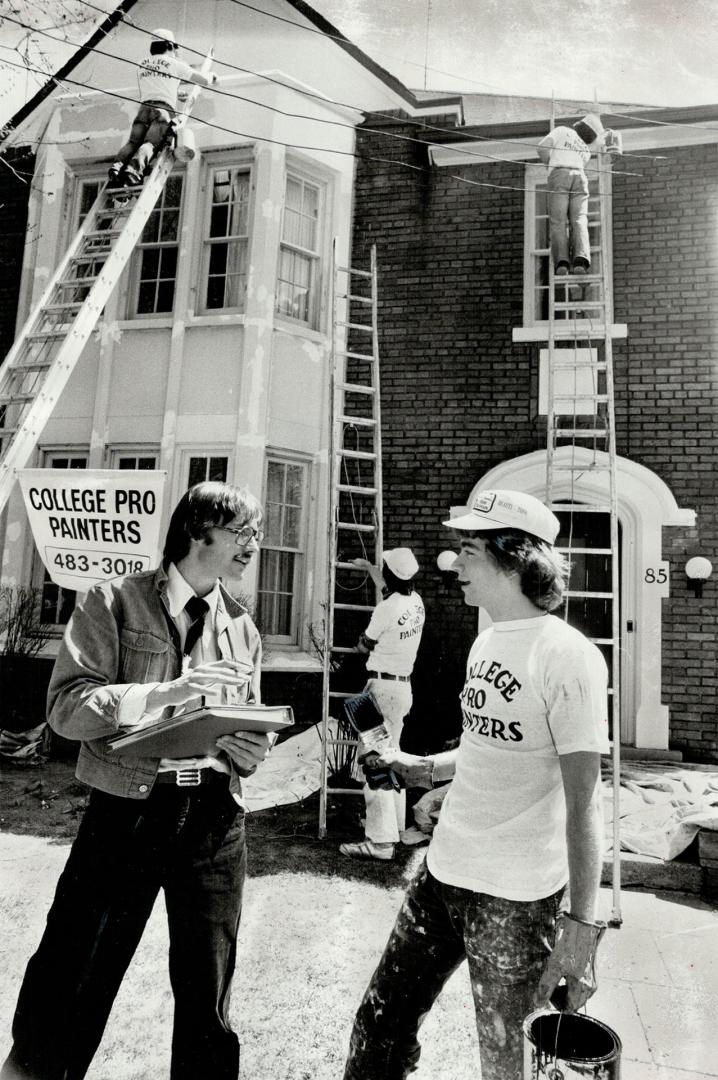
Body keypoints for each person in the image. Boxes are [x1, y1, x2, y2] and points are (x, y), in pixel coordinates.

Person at [1, 481, 271, 1080]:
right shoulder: (113, 602)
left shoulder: (243, 628)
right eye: (245, 531)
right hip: (128, 813)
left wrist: (250, 747)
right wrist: (164, 695)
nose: (256, 543)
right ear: (200, 531)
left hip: (215, 821)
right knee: (75, 970)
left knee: (209, 988)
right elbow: (67, 710)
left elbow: (246, 729)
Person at [342, 489, 609, 1080]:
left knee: (507, 1063)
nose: (454, 563)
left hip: (515, 897)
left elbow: (584, 800)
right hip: (442, 876)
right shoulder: (486, 641)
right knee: (379, 1029)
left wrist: (582, 931)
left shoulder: (569, 658)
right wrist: (424, 767)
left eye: (467, 550)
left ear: (514, 559)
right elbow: (488, 745)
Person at [339, 548, 425, 862]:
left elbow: (364, 645)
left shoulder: (386, 609)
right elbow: (389, 583)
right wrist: (368, 567)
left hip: (381, 689)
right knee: (391, 759)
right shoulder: (415, 602)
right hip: (401, 689)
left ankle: (379, 842)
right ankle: (395, 829)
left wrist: (347, 652)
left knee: (374, 762)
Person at [108, 27, 216, 187]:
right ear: (170, 46)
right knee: (150, 143)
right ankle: (133, 170)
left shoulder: (142, 64)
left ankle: (116, 168)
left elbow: (156, 82)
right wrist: (212, 77)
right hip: (162, 111)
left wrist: (176, 92)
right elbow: (202, 80)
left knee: (132, 143)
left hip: (144, 110)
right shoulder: (174, 64)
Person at [537, 113, 605, 277]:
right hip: (580, 178)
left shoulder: (562, 131)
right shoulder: (586, 151)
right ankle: (581, 260)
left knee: (558, 220)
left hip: (560, 174)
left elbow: (542, 148)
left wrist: (550, 164)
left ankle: (562, 262)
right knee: (579, 219)